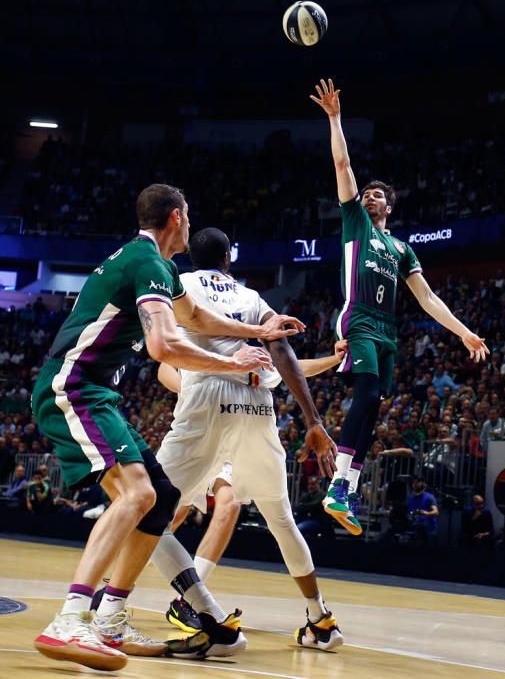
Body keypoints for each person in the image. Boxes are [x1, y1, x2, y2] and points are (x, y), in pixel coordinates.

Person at [31, 184, 304, 672]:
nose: (191, 222)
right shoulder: (147, 264)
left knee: (160, 495)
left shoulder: (156, 267)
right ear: (176, 217)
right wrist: (231, 364)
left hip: (96, 392)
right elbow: (162, 346)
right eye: (190, 214)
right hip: (71, 388)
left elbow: (197, 316)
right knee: (136, 495)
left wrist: (259, 331)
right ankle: (71, 618)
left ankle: (111, 617)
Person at [149, 227, 343, 652]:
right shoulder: (251, 298)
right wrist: (313, 420)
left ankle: (196, 608)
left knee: (146, 510)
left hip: (209, 391)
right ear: (228, 260)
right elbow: (283, 352)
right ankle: (320, 619)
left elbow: (160, 353)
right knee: (281, 519)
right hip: (257, 403)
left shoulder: (177, 286)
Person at [310, 79, 489, 535]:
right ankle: (336, 486)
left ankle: (344, 489)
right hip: (361, 320)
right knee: (366, 395)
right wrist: (334, 117)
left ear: (389, 205)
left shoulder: (402, 248)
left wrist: (463, 332)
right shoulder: (354, 223)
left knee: (373, 413)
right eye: (365, 193)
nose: (368, 196)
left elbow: (427, 298)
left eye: (376, 195)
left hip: (388, 330)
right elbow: (342, 162)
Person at [405, 476, 439, 545]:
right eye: (414, 482)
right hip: (414, 528)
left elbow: (436, 512)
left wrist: (425, 513)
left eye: (417, 482)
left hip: (428, 530)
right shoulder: (410, 497)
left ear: (423, 484)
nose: (415, 484)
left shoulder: (429, 497)